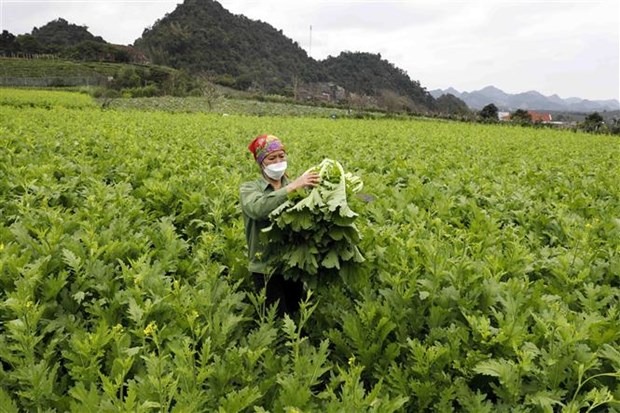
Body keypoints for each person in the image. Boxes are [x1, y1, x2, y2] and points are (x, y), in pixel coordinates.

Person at [240, 134, 320, 317]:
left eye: (281, 156)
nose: (278, 161)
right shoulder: (249, 189)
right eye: (272, 158)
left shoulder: (297, 187)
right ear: (261, 163)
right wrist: (294, 187)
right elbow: (258, 209)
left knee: (295, 316)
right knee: (277, 322)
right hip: (265, 268)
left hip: (292, 266)